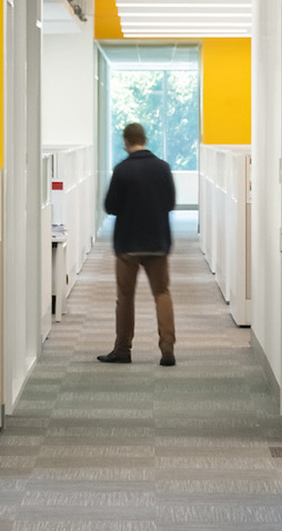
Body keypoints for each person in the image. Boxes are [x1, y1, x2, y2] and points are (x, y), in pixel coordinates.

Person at [99, 122, 178, 366]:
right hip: (157, 242)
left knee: (125, 296)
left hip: (128, 244)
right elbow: (170, 202)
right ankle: (167, 348)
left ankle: (122, 349)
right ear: (145, 139)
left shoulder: (122, 170)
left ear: (126, 142)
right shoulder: (162, 168)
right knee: (162, 293)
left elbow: (110, 206)